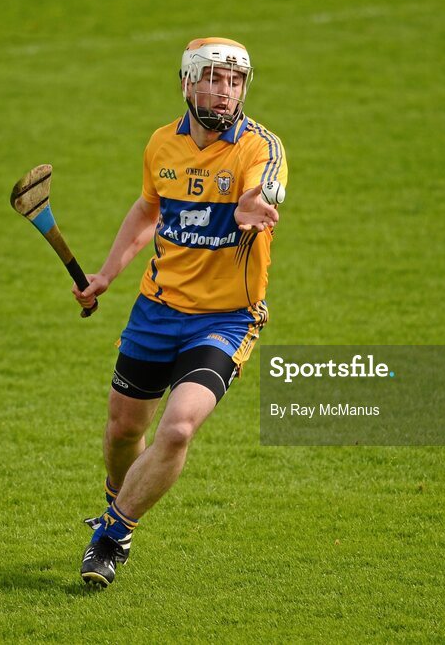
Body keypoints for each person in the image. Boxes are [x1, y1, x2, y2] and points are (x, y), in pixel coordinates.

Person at [72, 37, 287, 587]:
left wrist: (253, 205)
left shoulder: (260, 148)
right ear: (188, 84)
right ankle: (118, 503)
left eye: (235, 81)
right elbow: (149, 209)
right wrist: (106, 274)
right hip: (156, 309)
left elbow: (261, 191)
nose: (225, 92)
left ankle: (113, 534)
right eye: (214, 79)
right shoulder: (161, 145)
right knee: (123, 431)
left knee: (177, 428)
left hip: (226, 318)